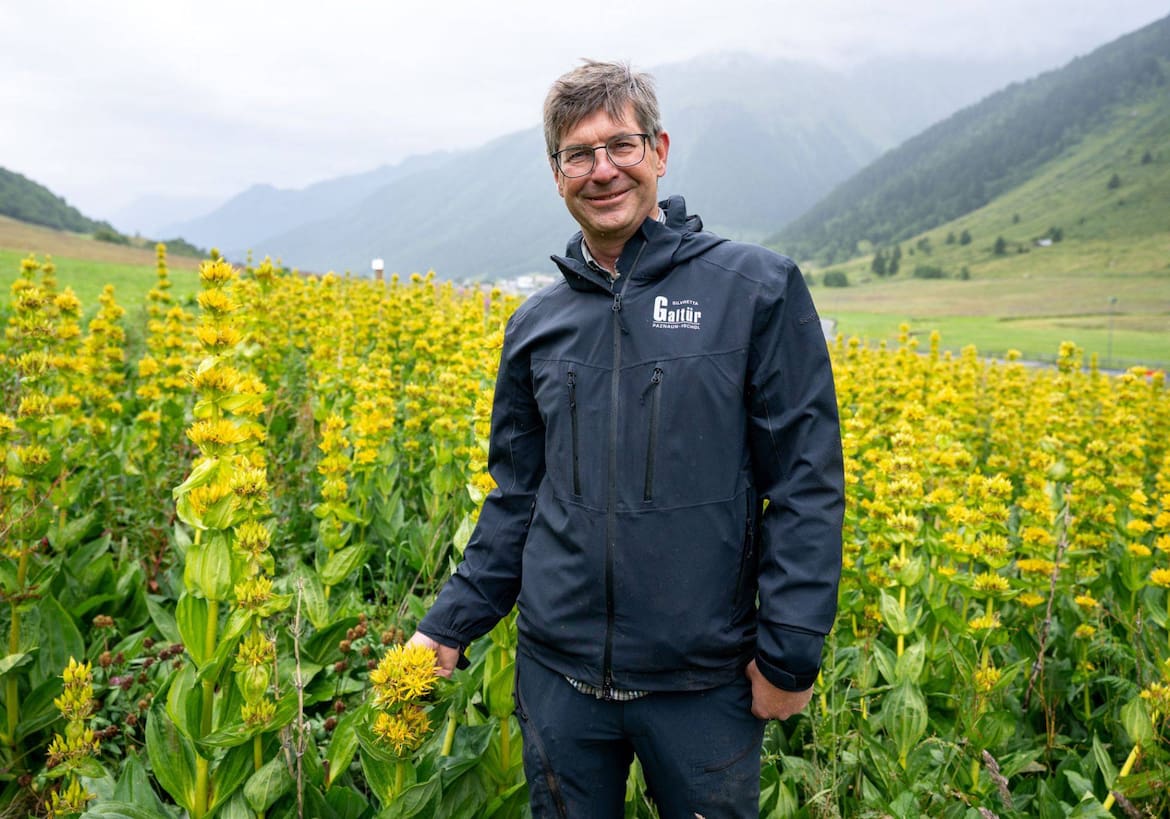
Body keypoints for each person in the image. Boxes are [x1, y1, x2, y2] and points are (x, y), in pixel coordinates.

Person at [409, 59, 844, 818]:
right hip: (556, 679)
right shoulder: (536, 326)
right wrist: (448, 624)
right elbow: (517, 497)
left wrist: (789, 653)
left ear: (661, 150)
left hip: (703, 685)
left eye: (621, 145)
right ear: (556, 174)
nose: (601, 170)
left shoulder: (756, 290)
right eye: (578, 154)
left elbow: (806, 484)